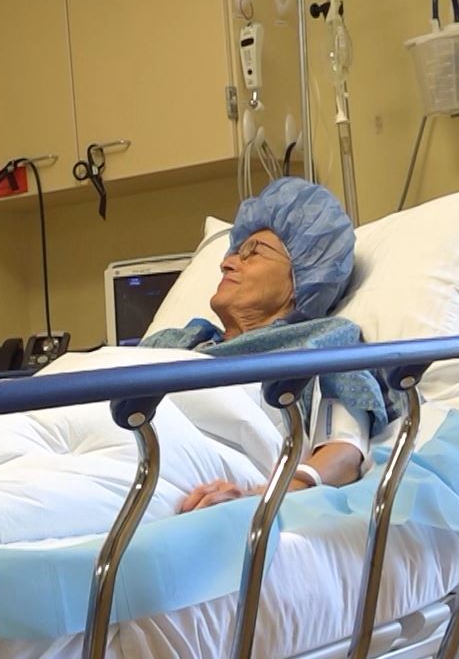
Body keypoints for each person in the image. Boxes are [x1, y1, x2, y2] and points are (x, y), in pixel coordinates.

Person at [139, 177, 399, 513]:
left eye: (253, 253)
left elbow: (344, 451)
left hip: (177, 475)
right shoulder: (180, 341)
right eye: (234, 252)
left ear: (301, 280)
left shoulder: (322, 341)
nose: (227, 262)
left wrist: (260, 498)